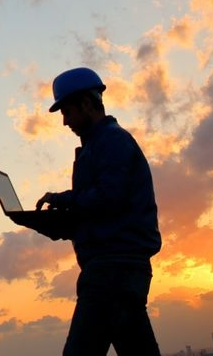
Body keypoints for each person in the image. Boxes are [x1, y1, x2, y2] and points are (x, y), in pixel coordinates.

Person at [34, 67, 162, 356]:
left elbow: (109, 198)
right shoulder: (98, 145)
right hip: (116, 268)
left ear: (88, 104)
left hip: (112, 271)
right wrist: (55, 225)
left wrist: (64, 200)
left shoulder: (112, 142)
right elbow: (100, 211)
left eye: (67, 112)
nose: (64, 122)